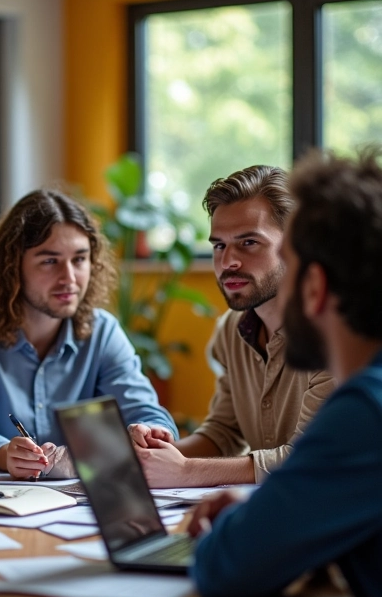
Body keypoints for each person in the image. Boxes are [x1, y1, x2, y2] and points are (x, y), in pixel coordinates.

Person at [188, 149, 382, 597]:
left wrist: (253, 524)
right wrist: (270, 510)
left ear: (314, 286)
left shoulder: (364, 412)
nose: (231, 265)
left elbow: (227, 567)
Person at [0, 188, 177, 477]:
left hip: (84, 502)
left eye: (80, 259)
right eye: (50, 261)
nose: (69, 278)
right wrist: (6, 454)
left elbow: (144, 410)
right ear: (12, 266)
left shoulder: (103, 332)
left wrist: (152, 431)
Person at [130, 166, 334, 487]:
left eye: (249, 242)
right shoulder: (231, 330)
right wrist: (157, 456)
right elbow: (224, 432)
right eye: (219, 246)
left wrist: (185, 472)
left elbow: (312, 459)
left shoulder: (336, 334)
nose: (228, 262)